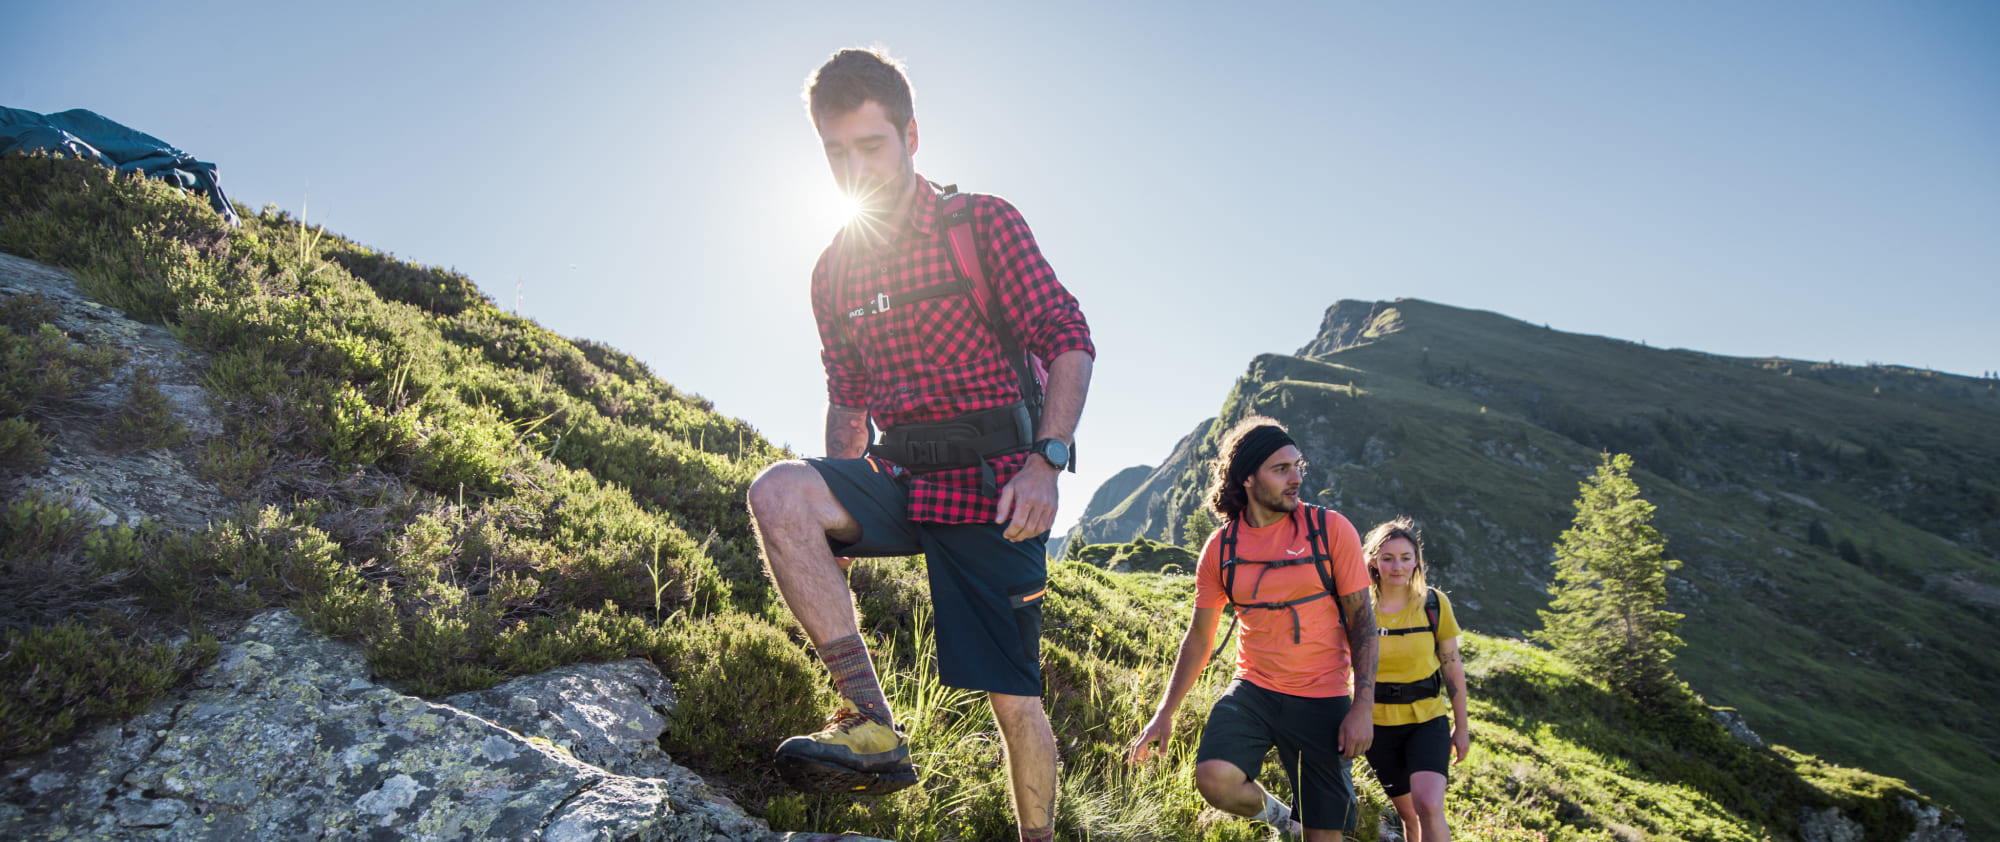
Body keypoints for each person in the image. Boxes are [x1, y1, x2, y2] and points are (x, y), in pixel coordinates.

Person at [745, 47, 1094, 842]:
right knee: (778, 491)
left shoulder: (982, 224)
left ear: (911, 136)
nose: (855, 169)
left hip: (998, 485)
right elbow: (848, 399)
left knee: (1015, 701)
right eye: (836, 154)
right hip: (898, 475)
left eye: (871, 147)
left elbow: (1068, 336)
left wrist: (1049, 461)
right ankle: (870, 724)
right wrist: (830, 510)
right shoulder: (831, 270)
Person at [1128, 416, 1377, 841]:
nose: (1295, 478)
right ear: (1247, 478)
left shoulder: (1330, 530)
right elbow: (1200, 638)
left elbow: (1363, 622)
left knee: (1326, 837)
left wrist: (1363, 706)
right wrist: (1163, 715)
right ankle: (1283, 821)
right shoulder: (1221, 549)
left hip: (1323, 696)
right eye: (1281, 469)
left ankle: (1311, 825)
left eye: (1298, 466)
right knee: (1214, 778)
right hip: (1255, 689)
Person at [1361, 517, 1471, 842]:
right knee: (1410, 816)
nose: (1397, 566)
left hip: (1427, 719)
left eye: (1406, 558)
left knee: (1428, 803)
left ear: (1417, 562)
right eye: (1388, 558)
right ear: (1373, 562)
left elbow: (1452, 667)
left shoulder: (1434, 604)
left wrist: (1462, 728)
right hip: (1376, 726)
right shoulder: (1358, 608)